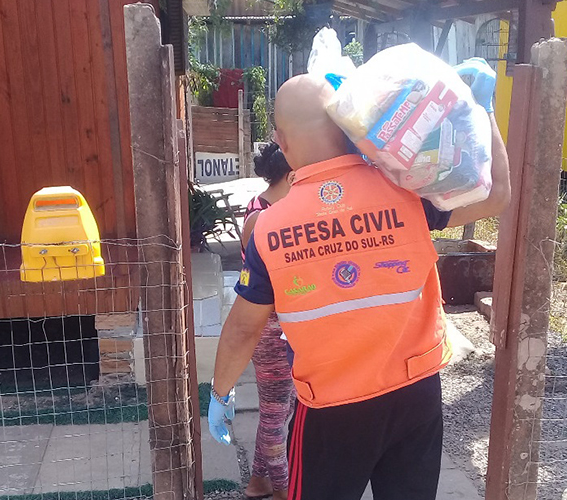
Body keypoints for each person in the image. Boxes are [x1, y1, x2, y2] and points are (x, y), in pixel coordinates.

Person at [208, 58, 510, 500]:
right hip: (416, 396)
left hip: (332, 408)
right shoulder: (408, 194)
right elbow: (497, 194)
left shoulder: (270, 228)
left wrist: (220, 392)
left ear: (282, 142)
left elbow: (243, 329)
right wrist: (483, 108)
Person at [240, 142, 296, 500]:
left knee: (279, 409)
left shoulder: (264, 207)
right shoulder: (263, 218)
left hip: (281, 326)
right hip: (272, 328)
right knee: (276, 415)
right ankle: (283, 490)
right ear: (291, 175)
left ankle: (258, 482)